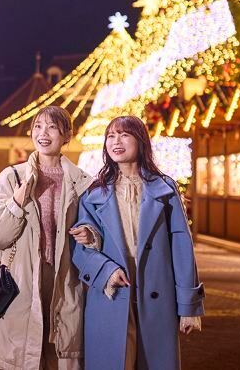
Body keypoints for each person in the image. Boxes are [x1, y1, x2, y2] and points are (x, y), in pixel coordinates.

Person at [0, 105, 92, 369]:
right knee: (21, 352)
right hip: (21, 276)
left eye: (52, 127)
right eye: (38, 126)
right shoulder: (12, 177)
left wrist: (91, 233)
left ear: (67, 135)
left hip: (64, 277)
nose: (43, 133)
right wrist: (16, 202)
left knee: (60, 348)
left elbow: (96, 227)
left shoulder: (82, 182)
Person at [71, 116, 204, 369]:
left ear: (141, 141)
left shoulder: (165, 189)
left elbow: (182, 248)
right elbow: (80, 250)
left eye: (124, 135)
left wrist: (189, 306)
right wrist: (107, 271)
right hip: (111, 294)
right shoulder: (93, 193)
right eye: (111, 136)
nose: (116, 141)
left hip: (158, 294)